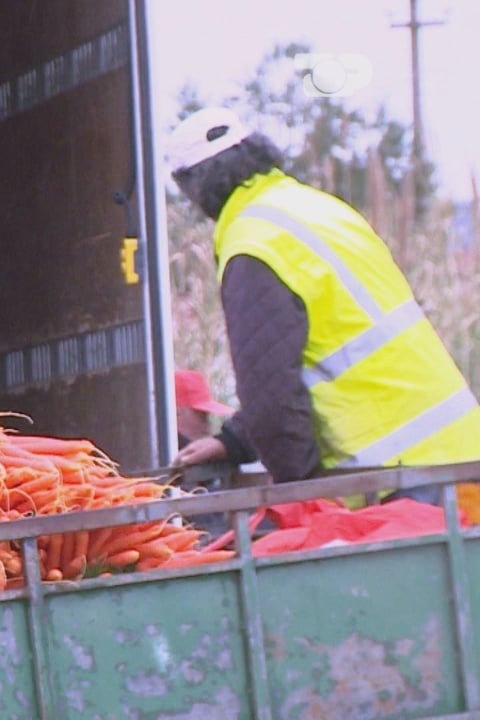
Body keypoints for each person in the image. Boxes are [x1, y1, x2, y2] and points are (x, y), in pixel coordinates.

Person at [165, 107, 480, 490]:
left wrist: (303, 493)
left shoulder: (253, 244)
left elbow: (273, 399)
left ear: (192, 188)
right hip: (460, 457)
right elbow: (326, 361)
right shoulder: (319, 209)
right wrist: (233, 440)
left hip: (397, 476)